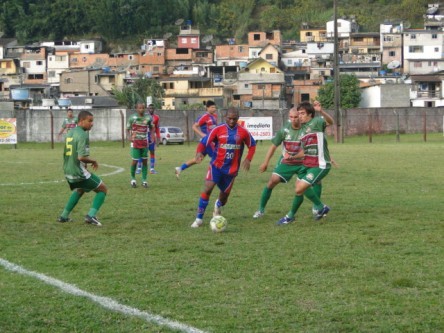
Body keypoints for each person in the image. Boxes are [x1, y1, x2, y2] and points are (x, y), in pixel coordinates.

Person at [191, 107, 256, 228]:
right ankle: (199, 219)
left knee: (224, 197)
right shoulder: (218, 129)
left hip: (231, 170)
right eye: (229, 118)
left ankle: (218, 204)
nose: (231, 121)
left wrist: (248, 159)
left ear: (238, 118)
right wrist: (199, 152)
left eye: (234, 119)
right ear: (225, 117)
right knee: (207, 188)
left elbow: (252, 145)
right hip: (216, 166)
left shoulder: (243, 132)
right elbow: (204, 141)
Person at [252, 107, 322, 219]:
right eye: (291, 117)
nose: (294, 119)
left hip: (304, 163)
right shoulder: (284, 131)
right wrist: (265, 162)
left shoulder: (307, 129)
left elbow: (317, 145)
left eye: (296, 117)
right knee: (272, 181)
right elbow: (273, 147)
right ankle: (260, 210)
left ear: (300, 116)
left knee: (316, 180)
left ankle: (317, 207)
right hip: (287, 163)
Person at [277, 101, 334, 225]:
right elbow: (305, 151)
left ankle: (295, 214)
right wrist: (292, 156)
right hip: (308, 164)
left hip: (320, 164)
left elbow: (331, 122)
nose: (300, 116)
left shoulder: (317, 122)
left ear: (310, 114)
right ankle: (316, 208)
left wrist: (321, 111)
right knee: (299, 188)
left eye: (302, 114)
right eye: (299, 113)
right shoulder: (302, 129)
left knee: (300, 188)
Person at [57, 110, 107, 226]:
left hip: (68, 169)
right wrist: (93, 161)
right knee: (103, 189)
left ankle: (63, 216)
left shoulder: (70, 132)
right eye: (89, 121)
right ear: (81, 121)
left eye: (92, 121)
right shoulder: (83, 134)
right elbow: (81, 157)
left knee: (80, 189)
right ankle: (91, 216)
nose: (92, 123)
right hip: (77, 170)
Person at [175, 100, 218, 179]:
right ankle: (215, 176)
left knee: (197, 160)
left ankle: (180, 168)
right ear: (207, 108)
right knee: (216, 158)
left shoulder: (215, 116)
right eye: (212, 107)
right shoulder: (204, 117)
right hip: (208, 142)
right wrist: (202, 135)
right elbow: (194, 127)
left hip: (210, 142)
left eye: (215, 107)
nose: (214, 109)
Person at [127, 102, 155, 188]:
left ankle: (144, 180)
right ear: (136, 108)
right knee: (135, 161)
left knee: (145, 161)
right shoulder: (132, 118)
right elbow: (128, 129)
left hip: (144, 142)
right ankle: (133, 179)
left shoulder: (148, 118)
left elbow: (152, 127)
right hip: (135, 142)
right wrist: (129, 137)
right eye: (139, 108)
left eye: (143, 108)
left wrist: (152, 137)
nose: (141, 109)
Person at [136, 104, 160, 174]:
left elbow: (157, 128)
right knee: (141, 152)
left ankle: (152, 169)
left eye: (152, 108)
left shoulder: (157, 117)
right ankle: (139, 168)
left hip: (152, 137)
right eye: (150, 108)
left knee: (152, 152)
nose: (151, 109)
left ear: (154, 109)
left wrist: (158, 138)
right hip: (144, 136)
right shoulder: (144, 116)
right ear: (148, 109)